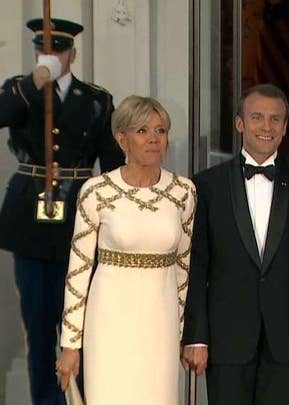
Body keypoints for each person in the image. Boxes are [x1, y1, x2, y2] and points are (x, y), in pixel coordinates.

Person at [0, 18, 124, 404]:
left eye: (58, 50)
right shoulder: (19, 91)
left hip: (79, 218)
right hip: (31, 221)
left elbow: (112, 163)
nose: (50, 56)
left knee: (82, 328)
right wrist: (36, 79)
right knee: (38, 329)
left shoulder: (97, 99)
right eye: (43, 49)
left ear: (73, 53)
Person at [181, 84, 289, 405]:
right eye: (257, 117)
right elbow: (198, 266)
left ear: (286, 127)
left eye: (276, 119)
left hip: (287, 339)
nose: (266, 127)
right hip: (227, 338)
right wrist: (197, 336)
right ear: (239, 123)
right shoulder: (206, 185)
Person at [54, 96, 196, 404]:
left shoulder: (183, 192)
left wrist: (183, 333)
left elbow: (184, 270)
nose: (153, 139)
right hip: (108, 322)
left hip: (162, 322)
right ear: (122, 139)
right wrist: (70, 344)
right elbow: (78, 272)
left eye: (160, 130)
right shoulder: (96, 191)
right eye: (142, 131)